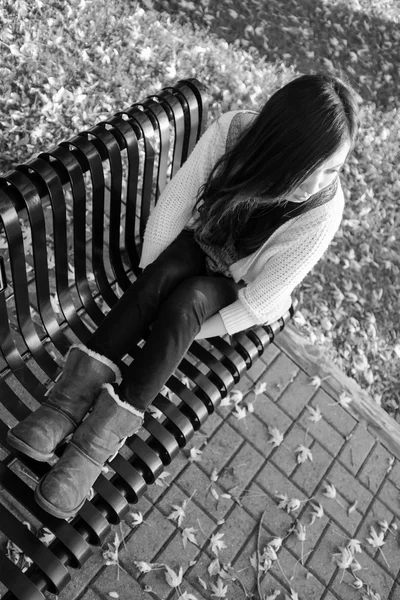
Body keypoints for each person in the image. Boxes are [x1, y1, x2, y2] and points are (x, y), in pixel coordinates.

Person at [7, 73, 360, 519]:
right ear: (279, 148)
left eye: (333, 169)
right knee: (165, 278)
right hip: (199, 240)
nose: (316, 183)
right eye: (311, 167)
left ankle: (94, 448)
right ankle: (64, 405)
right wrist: (153, 280)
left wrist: (181, 326)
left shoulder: (322, 208)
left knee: (186, 302)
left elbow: (265, 299)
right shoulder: (234, 134)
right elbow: (175, 203)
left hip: (236, 284)